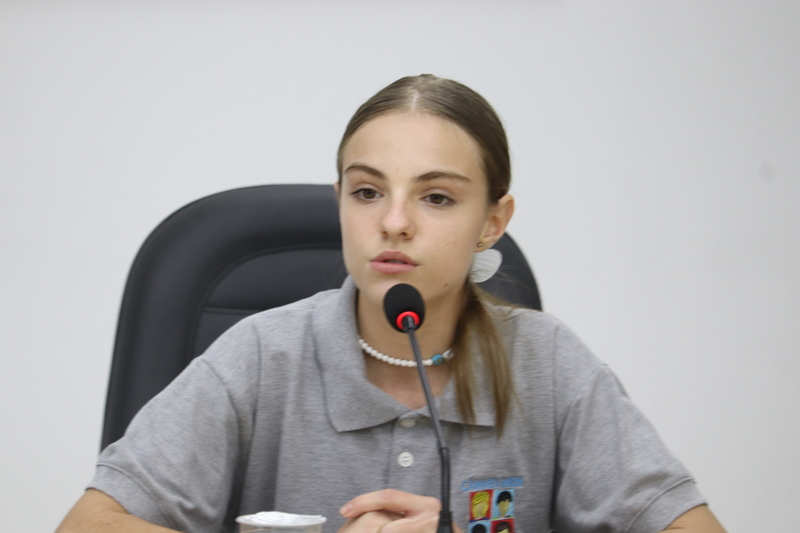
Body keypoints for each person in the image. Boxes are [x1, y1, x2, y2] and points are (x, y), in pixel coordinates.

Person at [56, 74, 727, 533]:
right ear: (341, 202)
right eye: (367, 191)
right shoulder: (260, 355)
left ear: (492, 221)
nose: (394, 222)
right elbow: (89, 524)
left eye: (436, 197)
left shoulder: (549, 364)